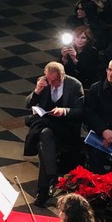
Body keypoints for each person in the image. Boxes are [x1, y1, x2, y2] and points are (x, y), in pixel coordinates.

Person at [24, 62, 85, 199]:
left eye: (55, 80)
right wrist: (37, 91)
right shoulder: (44, 82)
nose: (52, 83)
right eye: (49, 79)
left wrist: (63, 111)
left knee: (43, 146)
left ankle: (44, 189)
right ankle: (51, 179)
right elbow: (28, 103)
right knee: (45, 137)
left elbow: (80, 111)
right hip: (49, 125)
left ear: (62, 76)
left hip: (67, 128)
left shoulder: (74, 85)